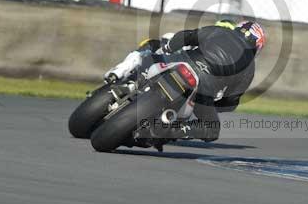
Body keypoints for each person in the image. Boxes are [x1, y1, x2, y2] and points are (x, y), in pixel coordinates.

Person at [104, 19, 265, 142]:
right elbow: (231, 100)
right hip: (203, 88)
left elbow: (188, 36)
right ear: (256, 46)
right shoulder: (250, 67)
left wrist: (168, 48)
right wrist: (217, 104)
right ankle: (175, 130)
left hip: (182, 61)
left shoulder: (219, 31)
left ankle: (131, 85)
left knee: (151, 56)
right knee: (212, 130)